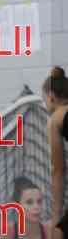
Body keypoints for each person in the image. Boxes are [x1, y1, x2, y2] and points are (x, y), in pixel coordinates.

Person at [43, 66, 68, 223]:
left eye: (44, 98)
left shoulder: (56, 119)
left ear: (51, 96)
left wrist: (56, 215)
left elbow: (58, 170)